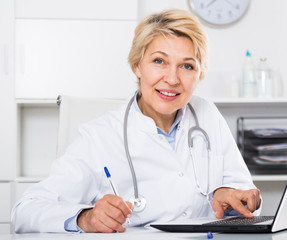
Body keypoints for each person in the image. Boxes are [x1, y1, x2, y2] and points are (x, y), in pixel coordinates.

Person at [11, 9, 261, 233]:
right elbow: (25, 211)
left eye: (187, 66)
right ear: (137, 66)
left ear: (200, 74)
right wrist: (85, 218)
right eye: (159, 61)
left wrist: (232, 200)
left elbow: (247, 201)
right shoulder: (99, 136)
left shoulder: (206, 115)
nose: (172, 79)